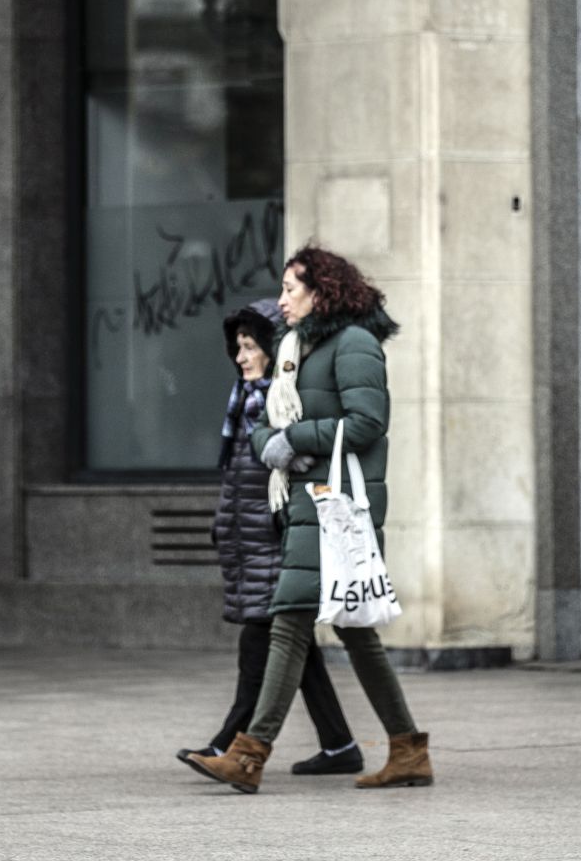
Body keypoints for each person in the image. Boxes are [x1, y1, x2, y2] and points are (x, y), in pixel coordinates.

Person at [184, 247, 431, 794]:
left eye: (291, 289)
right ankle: (407, 749)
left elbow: (367, 422)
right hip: (304, 500)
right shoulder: (296, 347)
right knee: (354, 631)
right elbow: (268, 417)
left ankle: (248, 755)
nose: (281, 300)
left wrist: (292, 442)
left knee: (289, 620)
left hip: (336, 505)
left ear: (323, 291)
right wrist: (269, 442)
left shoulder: (355, 344)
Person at [175, 298, 363, 777]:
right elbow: (238, 481)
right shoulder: (244, 403)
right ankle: (340, 745)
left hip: (276, 542)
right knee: (296, 648)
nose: (240, 356)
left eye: (251, 345)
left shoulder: (280, 404)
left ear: (274, 349)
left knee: (259, 644)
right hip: (251, 543)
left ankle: (229, 744)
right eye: (236, 347)